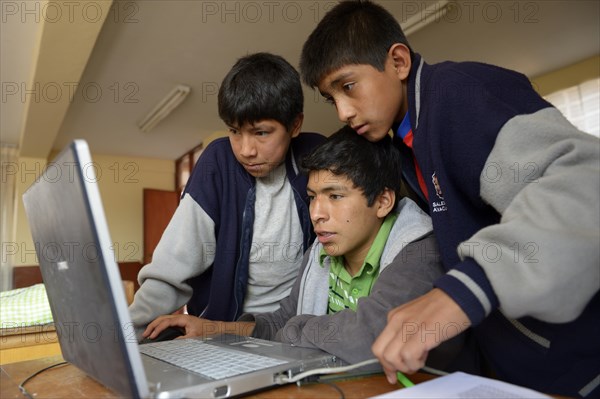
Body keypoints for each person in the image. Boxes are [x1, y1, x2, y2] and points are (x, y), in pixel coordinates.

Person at [299, 1, 600, 397]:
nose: (342, 111)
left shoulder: (459, 95)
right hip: (518, 368)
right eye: (330, 97)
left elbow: (585, 184)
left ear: (399, 61)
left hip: (579, 363)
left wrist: (462, 291)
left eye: (348, 86)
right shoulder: (407, 144)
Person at [143, 126, 463, 368]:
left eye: (334, 196)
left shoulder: (418, 248)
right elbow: (280, 322)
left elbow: (374, 333)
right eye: (312, 197)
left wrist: (299, 327)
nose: (317, 213)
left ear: (382, 201)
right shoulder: (322, 250)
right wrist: (212, 329)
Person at [128, 52, 325, 338]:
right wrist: (124, 335)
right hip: (220, 334)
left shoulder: (317, 158)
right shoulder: (216, 163)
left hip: (293, 333)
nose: (246, 150)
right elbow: (171, 268)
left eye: (261, 133)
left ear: (295, 125)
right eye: (235, 131)